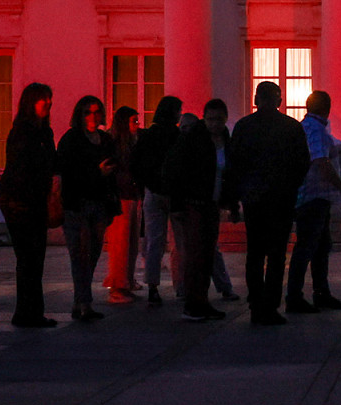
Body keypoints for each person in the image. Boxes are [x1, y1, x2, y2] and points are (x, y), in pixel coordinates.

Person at [227, 82, 312, 325]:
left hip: (254, 198)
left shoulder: (244, 127)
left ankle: (256, 303)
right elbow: (302, 163)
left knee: (254, 253)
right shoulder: (291, 127)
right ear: (279, 100)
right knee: (276, 254)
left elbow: (234, 165)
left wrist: (236, 198)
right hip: (281, 198)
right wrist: (291, 188)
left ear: (256, 98)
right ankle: (271, 305)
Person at [163, 99, 235, 323]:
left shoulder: (224, 140)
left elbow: (229, 172)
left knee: (206, 254)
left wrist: (230, 203)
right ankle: (193, 304)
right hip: (193, 203)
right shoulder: (193, 140)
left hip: (211, 203)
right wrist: (177, 204)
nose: (214, 124)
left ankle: (201, 301)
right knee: (195, 255)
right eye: (211, 119)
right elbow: (174, 171)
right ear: (204, 119)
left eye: (219, 120)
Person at [0, 82, 59, 328]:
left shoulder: (44, 132)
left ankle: (31, 311)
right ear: (31, 102)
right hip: (20, 201)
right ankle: (27, 312)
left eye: (49, 98)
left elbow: (50, 162)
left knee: (33, 259)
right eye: (44, 99)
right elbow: (22, 169)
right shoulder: (23, 131)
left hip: (31, 200)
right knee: (28, 258)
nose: (49, 103)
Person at [287, 91, 341, 313]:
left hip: (310, 196)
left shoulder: (307, 127)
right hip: (314, 196)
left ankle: (319, 293)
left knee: (319, 246)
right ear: (328, 107)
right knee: (308, 247)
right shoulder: (316, 129)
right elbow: (321, 161)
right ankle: (297, 296)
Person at [57, 95, 121, 323]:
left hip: (100, 203)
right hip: (78, 204)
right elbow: (68, 173)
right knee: (80, 254)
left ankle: (81, 300)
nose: (93, 116)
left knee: (92, 254)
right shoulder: (72, 139)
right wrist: (97, 173)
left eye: (96, 111)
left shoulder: (104, 139)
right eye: (87, 112)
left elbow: (114, 167)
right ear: (80, 115)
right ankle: (84, 302)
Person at [130, 95, 183, 306]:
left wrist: (147, 184)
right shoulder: (176, 135)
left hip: (153, 192)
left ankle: (153, 286)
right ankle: (181, 285)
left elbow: (137, 164)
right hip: (174, 192)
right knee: (179, 242)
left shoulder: (150, 135)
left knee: (154, 241)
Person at [104, 105, 143, 306]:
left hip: (132, 195)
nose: (137, 125)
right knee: (121, 244)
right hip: (120, 197)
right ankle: (118, 285)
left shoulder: (132, 144)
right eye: (134, 121)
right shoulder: (115, 145)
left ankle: (125, 281)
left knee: (131, 244)